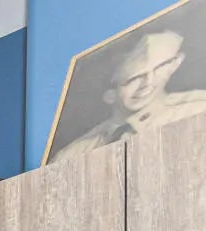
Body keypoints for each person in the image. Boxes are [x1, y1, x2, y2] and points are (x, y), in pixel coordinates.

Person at [55, 27, 206, 161]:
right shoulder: (73, 155)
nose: (148, 83)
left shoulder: (197, 110)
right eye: (134, 78)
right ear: (109, 94)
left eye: (159, 68)